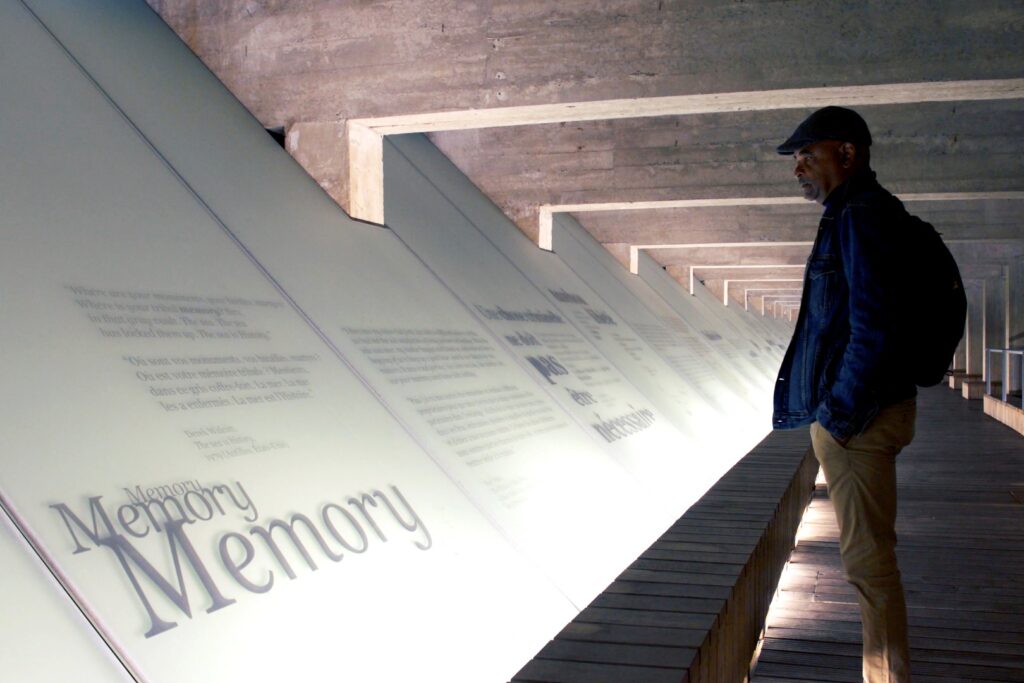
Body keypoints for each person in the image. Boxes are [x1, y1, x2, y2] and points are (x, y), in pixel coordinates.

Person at [772, 106, 918, 683]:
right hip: (868, 414)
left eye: (808, 154)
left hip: (860, 420)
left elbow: (873, 326)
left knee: (869, 567)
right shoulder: (858, 215)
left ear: (848, 153)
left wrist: (837, 415)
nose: (798, 168)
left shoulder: (860, 215)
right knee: (869, 560)